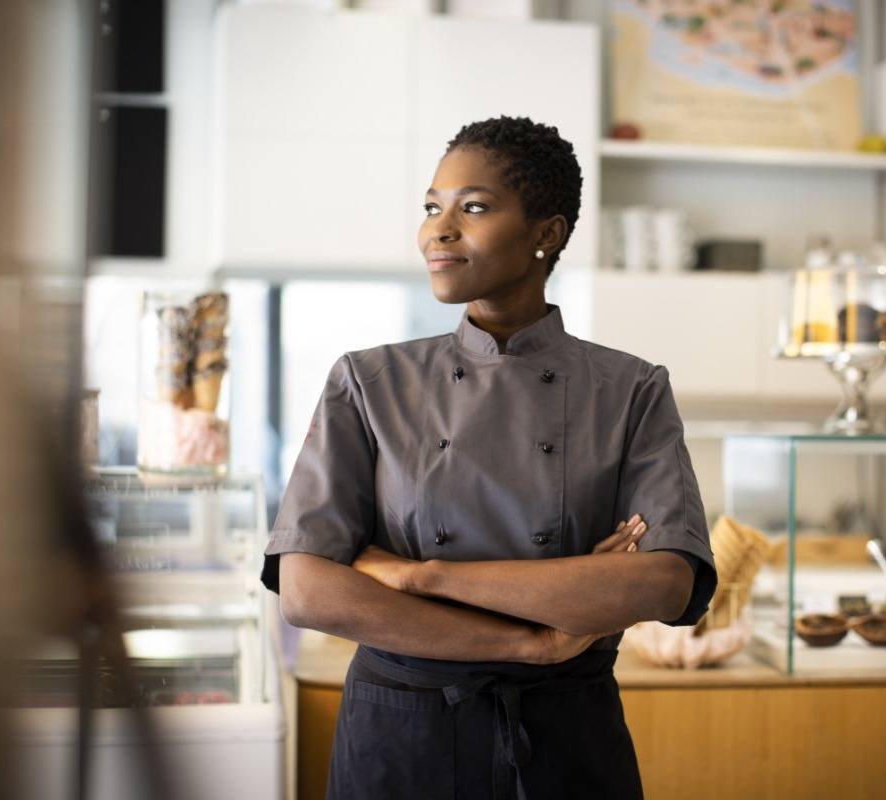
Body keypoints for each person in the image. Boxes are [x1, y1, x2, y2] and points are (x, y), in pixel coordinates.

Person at [261, 115, 716, 800]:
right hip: (401, 742)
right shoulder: (368, 382)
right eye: (431, 207)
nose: (438, 230)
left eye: (472, 207)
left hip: (566, 741)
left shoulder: (630, 388)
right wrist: (531, 640)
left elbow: (664, 584)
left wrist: (424, 577)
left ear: (545, 234)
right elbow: (306, 589)